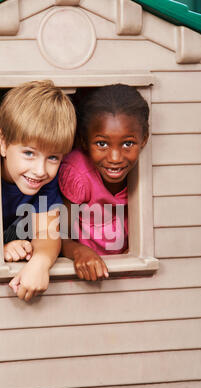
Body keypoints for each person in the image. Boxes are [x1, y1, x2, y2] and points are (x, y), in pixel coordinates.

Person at [58, 83, 149, 281]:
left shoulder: (145, 174)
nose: (115, 157)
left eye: (128, 144)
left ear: (144, 140)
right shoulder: (78, 173)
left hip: (127, 271)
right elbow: (59, 235)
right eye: (102, 144)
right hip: (85, 270)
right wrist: (79, 252)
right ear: (83, 141)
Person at [0, 80, 76, 301]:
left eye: (53, 157)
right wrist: (0, 248)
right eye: (29, 153)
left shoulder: (46, 182)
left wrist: (40, 263)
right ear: (3, 142)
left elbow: (47, 233)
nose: (40, 170)